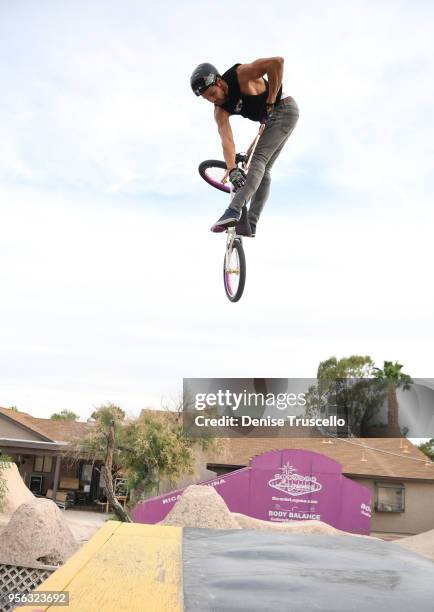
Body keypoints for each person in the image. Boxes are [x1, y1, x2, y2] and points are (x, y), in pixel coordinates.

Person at [191, 58, 299, 237]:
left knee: (258, 160)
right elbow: (227, 141)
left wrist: (271, 101)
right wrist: (232, 168)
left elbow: (277, 63)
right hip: (276, 118)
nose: (212, 100)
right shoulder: (220, 111)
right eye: (206, 99)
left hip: (284, 108)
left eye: (212, 93)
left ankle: (233, 211)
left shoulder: (240, 75)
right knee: (263, 170)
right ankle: (250, 224)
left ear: (218, 81)